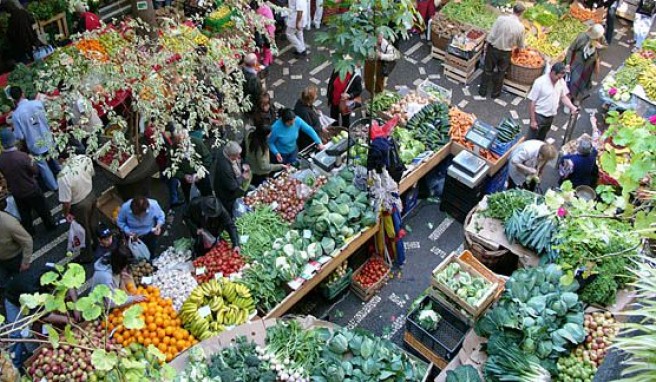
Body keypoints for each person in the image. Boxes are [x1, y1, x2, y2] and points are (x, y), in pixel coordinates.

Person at [4, 269, 78, 368]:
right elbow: (44, 315)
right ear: (47, 289)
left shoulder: (52, 273)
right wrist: (68, 320)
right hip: (13, 300)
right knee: (16, 334)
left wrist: (76, 306)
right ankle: (17, 364)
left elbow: (69, 284)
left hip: (27, 289)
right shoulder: (32, 289)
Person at [0, 128, 56, 234]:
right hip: (31, 188)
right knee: (43, 209)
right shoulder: (22, 156)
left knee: (25, 215)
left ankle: (31, 232)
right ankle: (50, 226)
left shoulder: (1, 159)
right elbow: (35, 170)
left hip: (16, 192)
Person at [8, 86, 60, 191]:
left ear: (13, 99)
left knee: (44, 167)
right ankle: (64, 176)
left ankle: (54, 187)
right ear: (22, 93)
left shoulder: (16, 115)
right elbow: (47, 117)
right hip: (47, 137)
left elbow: (20, 136)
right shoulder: (37, 103)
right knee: (54, 159)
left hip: (34, 144)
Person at [479, 3, 526, 98]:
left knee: (488, 70)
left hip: (493, 48)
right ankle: (495, 94)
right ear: (521, 13)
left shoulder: (501, 19)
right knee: (501, 73)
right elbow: (520, 44)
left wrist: (486, 45)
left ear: (513, 9)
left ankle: (482, 91)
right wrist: (518, 49)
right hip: (506, 52)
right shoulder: (520, 27)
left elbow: (492, 34)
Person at [58, 152, 98, 263]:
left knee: (83, 230)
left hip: (80, 204)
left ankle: (87, 255)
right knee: (93, 222)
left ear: (61, 159)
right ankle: (98, 242)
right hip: (91, 194)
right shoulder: (84, 158)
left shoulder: (63, 175)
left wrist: (66, 214)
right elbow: (92, 174)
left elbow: (66, 201)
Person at [527, 62, 578, 141]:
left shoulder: (561, 81)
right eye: (558, 77)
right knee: (531, 139)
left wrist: (572, 107)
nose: (559, 79)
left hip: (550, 116)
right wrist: (533, 121)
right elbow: (532, 102)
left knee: (541, 138)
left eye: (561, 77)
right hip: (539, 116)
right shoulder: (540, 82)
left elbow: (563, 96)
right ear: (553, 72)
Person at [169, 124, 213, 203]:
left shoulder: (197, 142)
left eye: (183, 141)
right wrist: (183, 176)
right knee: (190, 199)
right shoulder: (173, 150)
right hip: (186, 181)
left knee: (207, 196)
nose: (181, 144)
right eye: (178, 141)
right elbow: (171, 167)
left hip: (201, 176)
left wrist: (200, 172)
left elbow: (208, 158)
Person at [565, 24, 604, 103]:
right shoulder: (582, 37)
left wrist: (599, 48)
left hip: (589, 65)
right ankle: (569, 99)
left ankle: (577, 98)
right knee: (573, 81)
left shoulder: (600, 39)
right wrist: (568, 63)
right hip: (577, 63)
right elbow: (571, 49)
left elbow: (604, 47)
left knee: (583, 82)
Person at [213, 141, 251, 217]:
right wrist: (242, 177)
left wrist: (244, 164)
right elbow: (232, 186)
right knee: (229, 209)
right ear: (231, 156)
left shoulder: (226, 152)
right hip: (226, 194)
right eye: (237, 155)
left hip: (226, 186)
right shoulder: (225, 167)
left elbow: (240, 160)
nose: (239, 156)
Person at [0, 199, 33, 287]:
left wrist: (25, 262)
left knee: (23, 281)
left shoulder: (9, 223)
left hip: (14, 258)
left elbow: (27, 240)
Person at [245, 122, 287, 186]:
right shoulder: (260, 148)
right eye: (269, 133)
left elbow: (253, 129)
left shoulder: (249, 135)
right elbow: (264, 166)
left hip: (251, 167)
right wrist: (280, 166)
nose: (271, 134)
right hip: (259, 173)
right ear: (264, 135)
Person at [294, 85, 325, 151]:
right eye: (315, 96)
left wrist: (315, 111)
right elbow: (309, 129)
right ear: (309, 100)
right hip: (308, 142)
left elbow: (311, 107)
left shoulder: (300, 102)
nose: (316, 96)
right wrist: (321, 128)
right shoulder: (305, 113)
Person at [253, 0, 276, 66]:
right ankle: (268, 60)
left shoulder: (261, 10)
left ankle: (267, 61)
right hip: (265, 29)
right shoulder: (262, 8)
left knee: (266, 45)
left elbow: (257, 22)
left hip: (267, 30)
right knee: (266, 46)